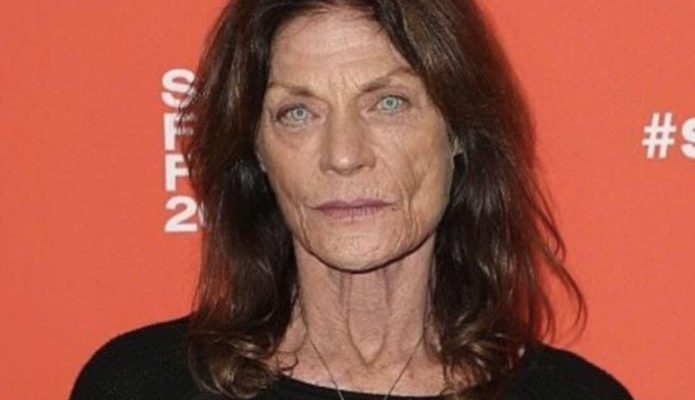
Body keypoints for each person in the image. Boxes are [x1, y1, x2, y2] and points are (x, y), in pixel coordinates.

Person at [70, 1, 634, 399]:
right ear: (258, 151)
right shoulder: (140, 385)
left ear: (459, 131)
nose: (343, 155)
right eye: (298, 112)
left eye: (388, 103)